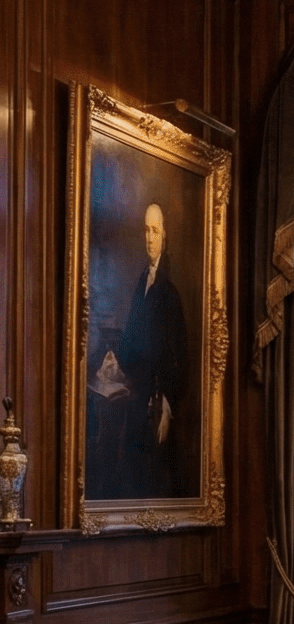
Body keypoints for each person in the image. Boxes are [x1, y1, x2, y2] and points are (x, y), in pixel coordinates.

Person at [94, 203, 188, 498]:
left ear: (164, 236)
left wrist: (167, 410)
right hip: (138, 396)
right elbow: (133, 337)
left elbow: (180, 357)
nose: (149, 237)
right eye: (145, 230)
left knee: (154, 478)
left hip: (157, 404)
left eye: (155, 231)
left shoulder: (170, 292)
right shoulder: (141, 282)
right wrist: (114, 358)